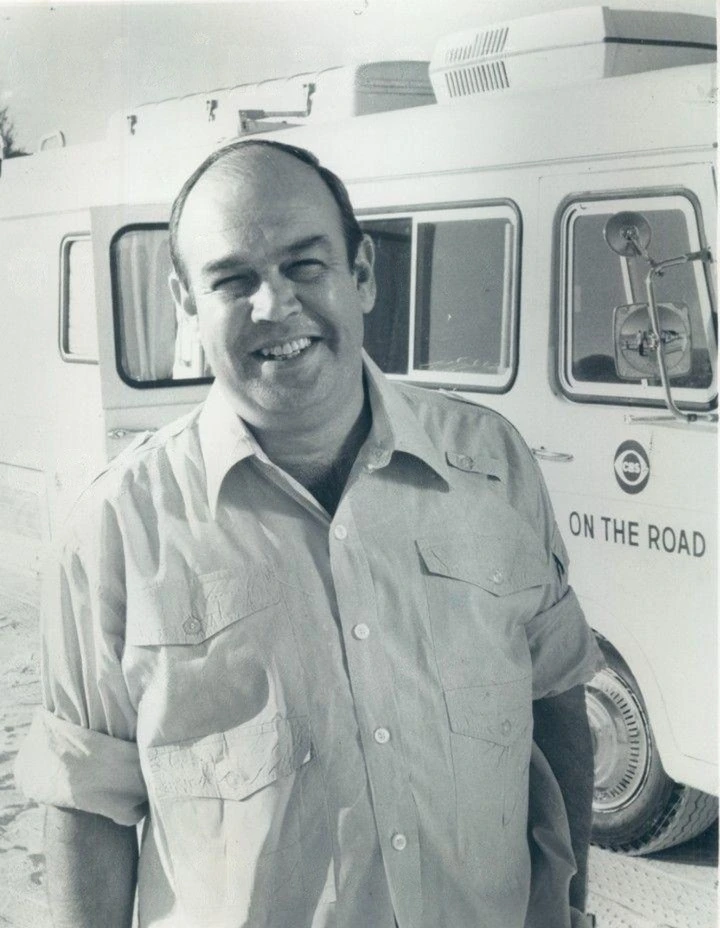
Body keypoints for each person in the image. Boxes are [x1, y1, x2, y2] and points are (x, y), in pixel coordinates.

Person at [16, 138, 604, 928]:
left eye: (305, 266)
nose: (274, 306)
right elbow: (87, 805)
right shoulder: (116, 526)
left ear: (361, 274)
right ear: (187, 305)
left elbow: (556, 702)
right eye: (232, 280)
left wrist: (565, 907)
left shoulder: (491, 467)